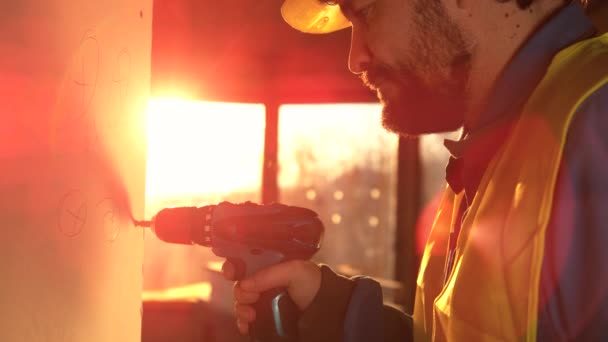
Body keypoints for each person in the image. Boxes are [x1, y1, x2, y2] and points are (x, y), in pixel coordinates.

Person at [223, 0, 608, 340]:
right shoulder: (499, 150)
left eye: (366, 11)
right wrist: (340, 315)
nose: (354, 59)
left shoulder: (596, 124)